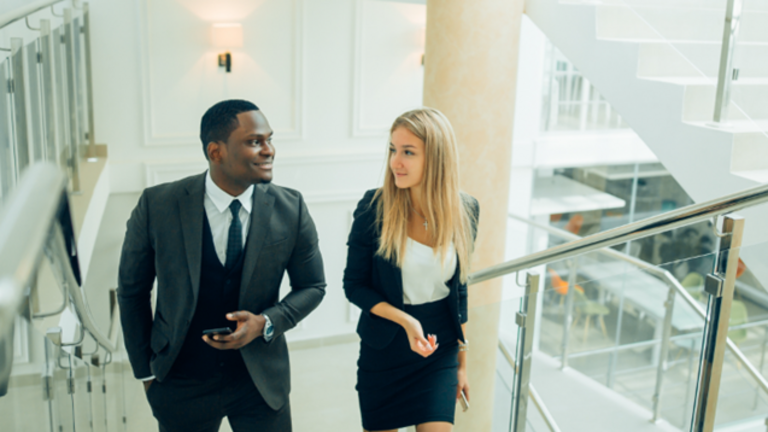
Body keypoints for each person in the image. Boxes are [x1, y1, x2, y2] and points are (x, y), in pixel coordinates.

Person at [117, 99, 326, 432]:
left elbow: (313, 286)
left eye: (269, 140)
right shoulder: (158, 205)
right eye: (254, 141)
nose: (269, 150)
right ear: (216, 152)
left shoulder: (291, 207)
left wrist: (265, 323)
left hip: (260, 383)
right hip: (180, 382)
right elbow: (132, 292)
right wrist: (146, 374)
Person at [343, 108, 479, 432]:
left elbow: (459, 292)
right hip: (385, 350)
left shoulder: (466, 210)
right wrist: (406, 320)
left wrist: (462, 364)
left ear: (436, 158)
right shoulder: (374, 208)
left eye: (408, 152)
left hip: (439, 349)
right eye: (393, 149)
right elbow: (354, 285)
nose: (395, 162)